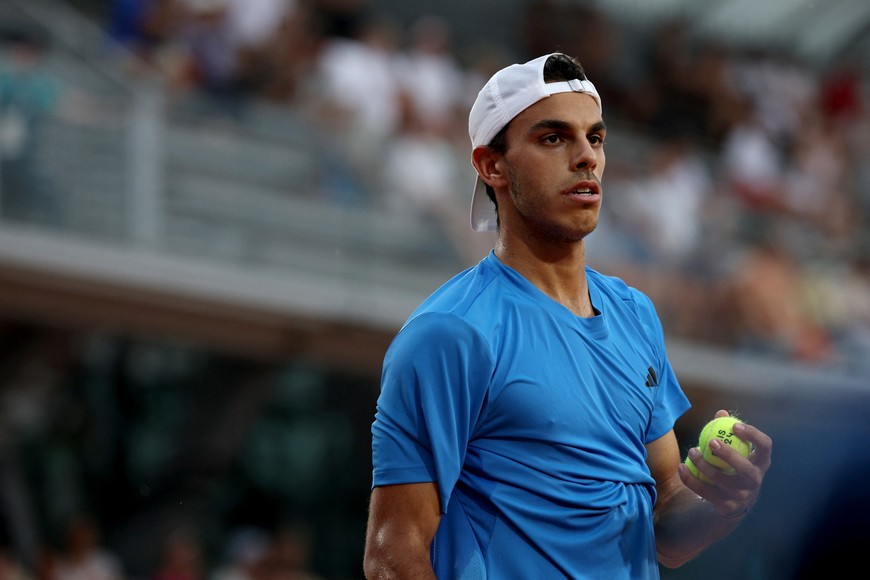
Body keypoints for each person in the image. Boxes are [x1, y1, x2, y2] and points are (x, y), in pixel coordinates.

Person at [363, 52, 773, 579]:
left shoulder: (634, 313)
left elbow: (667, 527)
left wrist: (727, 502)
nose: (586, 158)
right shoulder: (451, 333)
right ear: (492, 165)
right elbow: (393, 555)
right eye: (553, 138)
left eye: (595, 138)